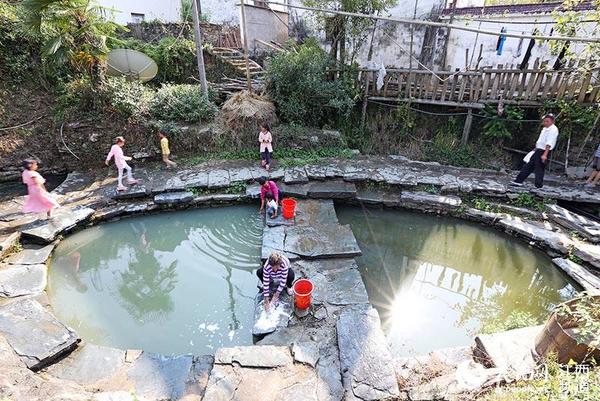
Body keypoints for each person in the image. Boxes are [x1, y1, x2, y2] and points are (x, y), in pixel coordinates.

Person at [511, 114, 559, 189]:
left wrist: (545, 155)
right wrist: (535, 148)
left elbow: (549, 143)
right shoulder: (545, 129)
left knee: (539, 168)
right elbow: (541, 141)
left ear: (552, 121)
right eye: (544, 121)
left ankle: (538, 185)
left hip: (544, 151)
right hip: (538, 150)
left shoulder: (553, 130)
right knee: (528, 166)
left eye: (547, 121)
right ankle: (518, 181)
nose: (545, 123)